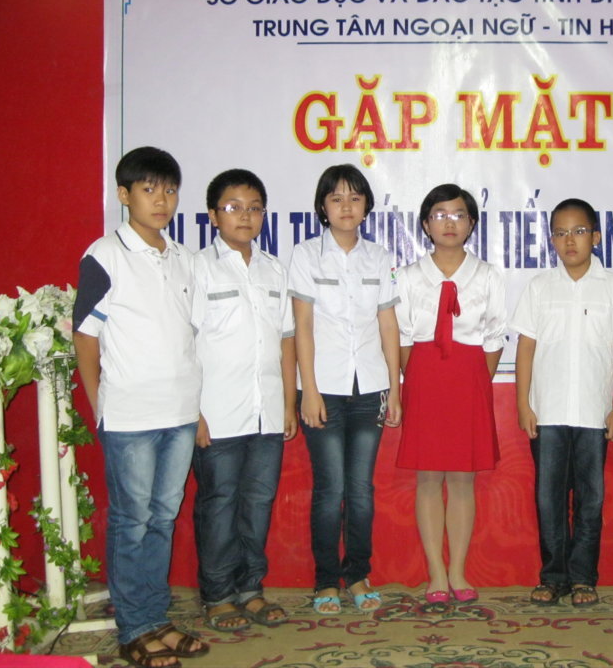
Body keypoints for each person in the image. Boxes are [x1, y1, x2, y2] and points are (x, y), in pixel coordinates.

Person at [72, 146, 208, 668]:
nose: (161, 200)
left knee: (162, 518)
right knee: (132, 521)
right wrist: (100, 404)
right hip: (129, 417)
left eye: (169, 190)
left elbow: (189, 336)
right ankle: (133, 629)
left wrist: (196, 408)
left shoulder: (183, 258)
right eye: (149, 190)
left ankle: (156, 618)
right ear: (124, 195)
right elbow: (86, 338)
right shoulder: (104, 255)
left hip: (179, 412)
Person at [288, 164, 402, 615]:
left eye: (355, 198)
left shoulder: (379, 256)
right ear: (323, 206)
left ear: (367, 206)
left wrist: (394, 389)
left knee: (360, 490)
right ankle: (325, 581)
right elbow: (302, 327)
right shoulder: (305, 255)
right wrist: (310, 390)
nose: (346, 206)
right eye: (336, 198)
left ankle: (357, 574)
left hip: (370, 388)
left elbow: (388, 325)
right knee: (329, 488)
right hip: (324, 389)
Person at [513, 198, 613, 608]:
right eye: (561, 233)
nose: (570, 241)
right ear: (551, 240)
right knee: (548, 500)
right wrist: (523, 403)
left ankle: (583, 578)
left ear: (595, 236)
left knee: (590, 500)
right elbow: (525, 348)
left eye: (579, 232)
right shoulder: (539, 287)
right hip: (547, 411)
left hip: (594, 413)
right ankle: (553, 577)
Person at [191, 169, 296, 632]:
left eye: (254, 208)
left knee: (258, 504)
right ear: (213, 215)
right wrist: (193, 411)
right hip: (217, 413)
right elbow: (184, 342)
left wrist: (288, 404)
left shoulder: (274, 269)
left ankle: (250, 589)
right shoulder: (197, 268)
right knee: (219, 504)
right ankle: (217, 595)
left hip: (266, 411)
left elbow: (287, 340)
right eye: (234, 207)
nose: (245, 216)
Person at [395, 183, 505, 604]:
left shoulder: (487, 275)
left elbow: (494, 336)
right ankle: (435, 573)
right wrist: (417, 379)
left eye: (458, 215)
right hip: (424, 377)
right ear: (426, 224)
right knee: (428, 478)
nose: (449, 223)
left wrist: (473, 379)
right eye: (439, 215)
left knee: (463, 479)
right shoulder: (408, 277)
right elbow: (403, 338)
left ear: (471, 223)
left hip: (470, 377)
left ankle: (458, 570)